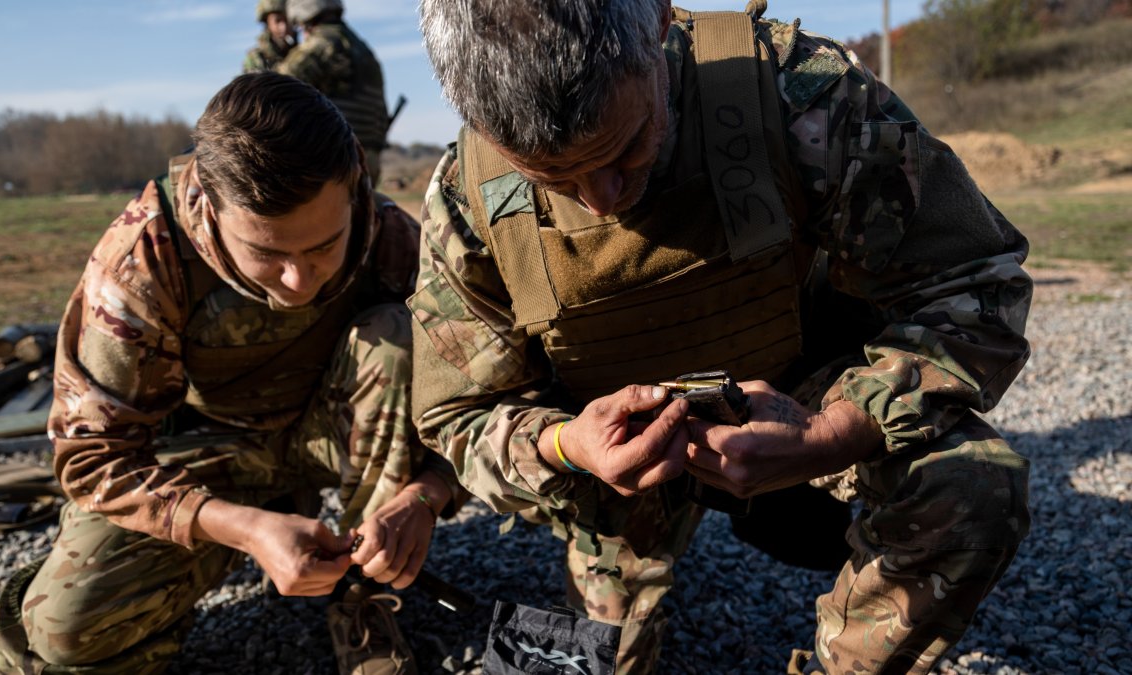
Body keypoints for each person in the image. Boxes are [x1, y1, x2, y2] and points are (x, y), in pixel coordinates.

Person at [412, 0, 1033, 673]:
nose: (602, 200)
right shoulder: (469, 200)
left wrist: (833, 433)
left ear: (654, 25)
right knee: (592, 658)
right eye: (553, 178)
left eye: (626, 147)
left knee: (971, 486)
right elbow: (455, 415)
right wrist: (567, 444)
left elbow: (972, 285)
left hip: (799, 410)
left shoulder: (792, 94)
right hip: (616, 472)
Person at [0, 72, 461, 675]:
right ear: (210, 207)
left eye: (323, 246)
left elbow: (477, 394)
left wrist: (426, 495)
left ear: (356, 188)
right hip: (206, 457)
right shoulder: (143, 259)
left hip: (328, 432)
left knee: (398, 337)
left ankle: (363, 596)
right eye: (267, 253)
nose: (299, 280)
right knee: (65, 632)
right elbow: (92, 458)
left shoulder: (386, 232)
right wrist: (243, 529)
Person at [280, 0, 391, 186]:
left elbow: (274, 88)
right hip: (368, 162)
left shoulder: (321, 45)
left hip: (334, 164)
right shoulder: (363, 49)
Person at [243, 0, 297, 72]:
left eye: (287, 20)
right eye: (277, 21)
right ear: (267, 24)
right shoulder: (257, 58)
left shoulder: (304, 53)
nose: (283, 27)